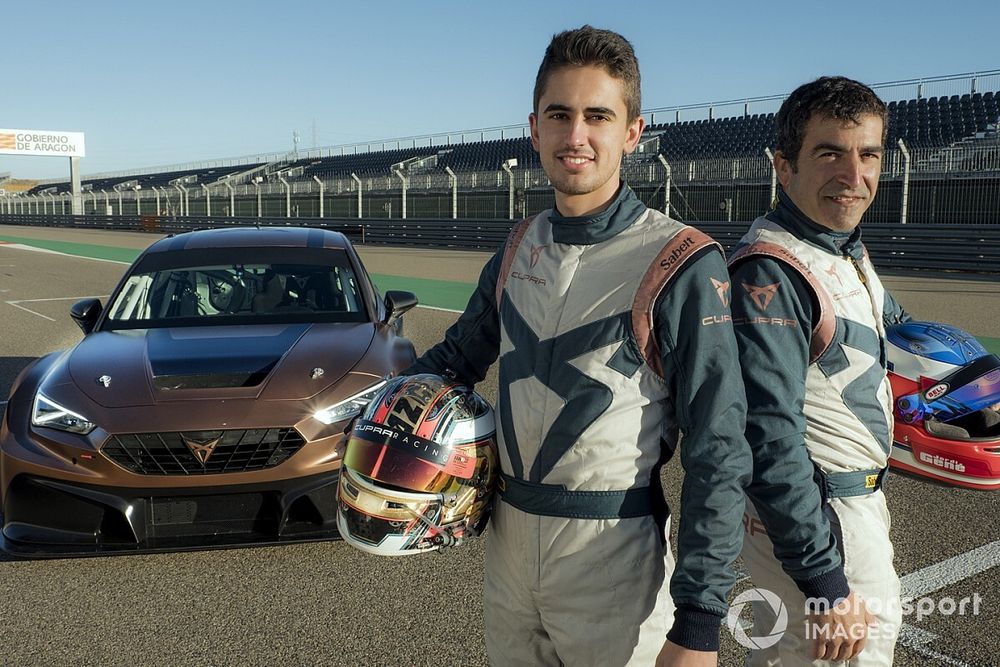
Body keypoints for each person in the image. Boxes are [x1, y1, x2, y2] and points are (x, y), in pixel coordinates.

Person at [406, 25, 751, 666]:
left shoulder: (682, 260)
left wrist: (701, 619)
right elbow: (450, 365)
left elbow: (719, 446)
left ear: (634, 132)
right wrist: (364, 413)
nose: (576, 135)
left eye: (598, 116)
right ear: (533, 128)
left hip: (614, 559)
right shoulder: (517, 248)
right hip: (507, 552)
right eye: (560, 115)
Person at [728, 76, 909, 666]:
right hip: (823, 528)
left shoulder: (842, 246)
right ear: (784, 166)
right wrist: (826, 583)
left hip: (837, 516)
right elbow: (767, 437)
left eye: (869, 155)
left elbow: (900, 338)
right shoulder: (772, 271)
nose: (854, 175)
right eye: (830, 153)